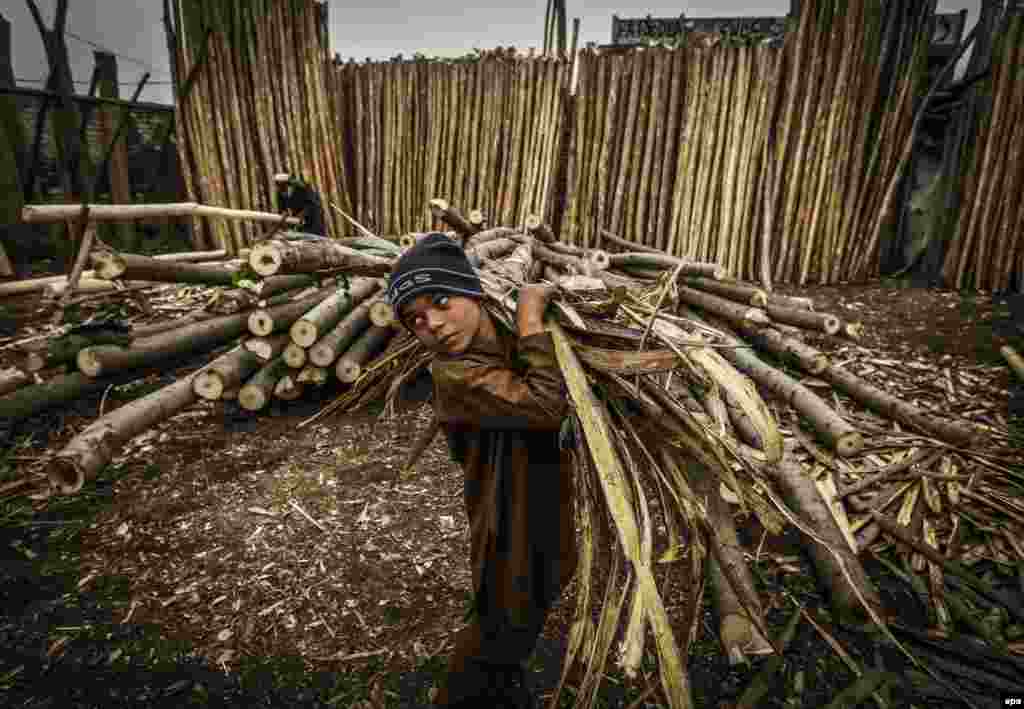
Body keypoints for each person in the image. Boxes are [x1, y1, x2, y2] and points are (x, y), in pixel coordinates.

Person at [387, 233, 578, 709]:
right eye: (416, 319)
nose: (432, 322)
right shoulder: (454, 375)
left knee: (544, 586)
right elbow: (544, 405)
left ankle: (507, 691)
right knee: (501, 616)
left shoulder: (493, 325)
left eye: (440, 301)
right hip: (502, 506)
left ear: (472, 291)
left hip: (543, 488)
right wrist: (532, 322)